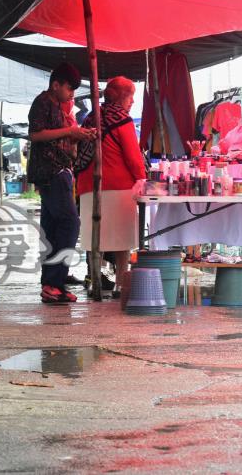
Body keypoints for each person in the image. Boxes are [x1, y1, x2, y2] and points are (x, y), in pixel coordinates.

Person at [27, 62, 96, 303]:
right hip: (50, 171)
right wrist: (69, 132)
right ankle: (55, 280)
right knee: (69, 224)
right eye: (69, 89)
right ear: (55, 85)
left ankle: (51, 283)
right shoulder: (43, 102)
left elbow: (64, 142)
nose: (72, 94)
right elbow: (36, 135)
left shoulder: (59, 106)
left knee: (52, 229)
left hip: (60, 170)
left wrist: (76, 136)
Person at [76, 76, 146, 293]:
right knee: (122, 238)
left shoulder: (90, 118)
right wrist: (142, 178)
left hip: (89, 186)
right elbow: (133, 157)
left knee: (94, 237)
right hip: (118, 187)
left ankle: (93, 280)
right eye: (130, 96)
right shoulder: (122, 120)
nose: (132, 101)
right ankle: (120, 284)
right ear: (121, 97)